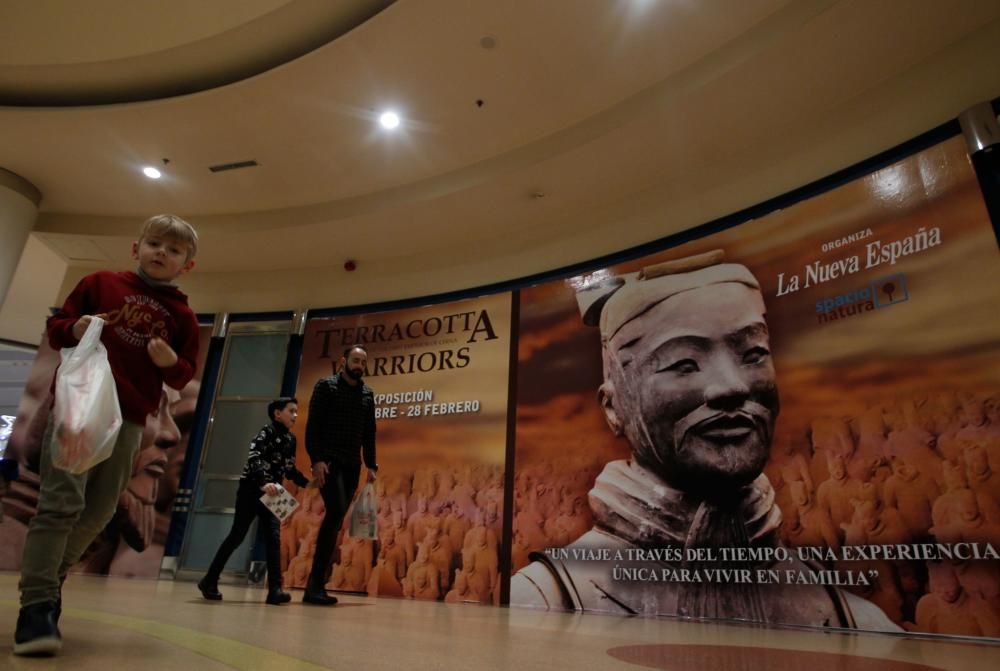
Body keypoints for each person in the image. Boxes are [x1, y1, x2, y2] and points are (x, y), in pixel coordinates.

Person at [510, 249, 898, 631]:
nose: (731, 386)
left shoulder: (853, 619)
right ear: (614, 408)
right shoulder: (540, 605)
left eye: (753, 354)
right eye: (684, 364)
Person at [8, 214, 200, 656]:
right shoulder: (99, 283)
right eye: (154, 243)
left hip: (131, 421)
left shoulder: (182, 315)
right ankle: (36, 608)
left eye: (173, 250)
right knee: (61, 504)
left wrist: (170, 361)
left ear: (186, 265)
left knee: (97, 513)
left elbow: (182, 374)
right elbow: (58, 332)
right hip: (77, 409)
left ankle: (49, 580)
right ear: (136, 248)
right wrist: (73, 329)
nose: (161, 253)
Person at [197, 397, 308, 605]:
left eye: (296, 411)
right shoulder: (265, 433)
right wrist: (263, 481)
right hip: (252, 489)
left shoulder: (291, 440)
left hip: (273, 494)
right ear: (277, 413)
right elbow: (254, 457)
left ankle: (275, 589)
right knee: (237, 535)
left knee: (274, 538)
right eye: (291, 411)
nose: (295, 415)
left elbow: (289, 468)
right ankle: (209, 580)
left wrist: (307, 483)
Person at [302, 345, 378, 605]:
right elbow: (313, 427)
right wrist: (317, 460)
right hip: (329, 462)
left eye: (363, 362)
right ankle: (314, 585)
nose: (359, 365)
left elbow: (369, 434)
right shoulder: (326, 386)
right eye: (355, 360)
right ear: (344, 360)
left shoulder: (368, 395)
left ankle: (316, 585)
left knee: (336, 520)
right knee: (334, 512)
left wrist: (372, 465)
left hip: (352, 465)